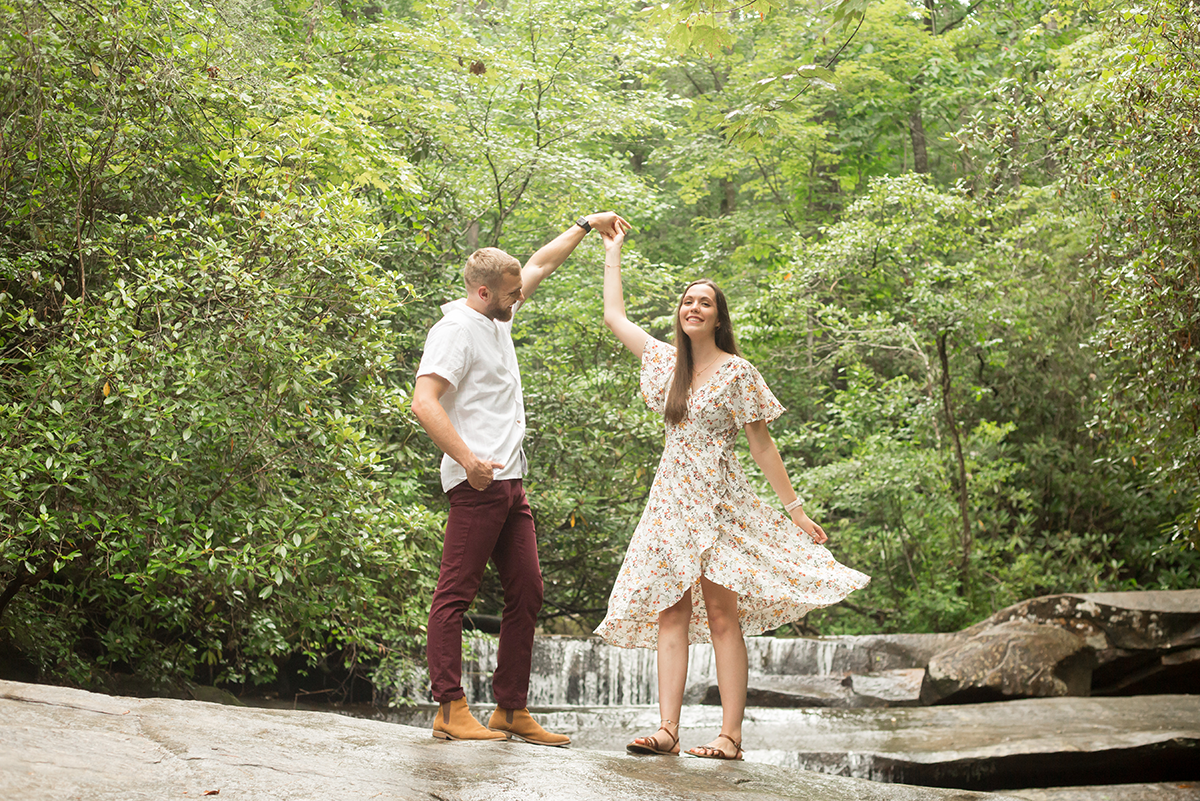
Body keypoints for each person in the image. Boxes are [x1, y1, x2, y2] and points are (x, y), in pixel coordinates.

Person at [593, 227, 869, 760]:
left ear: (719, 317)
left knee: (722, 615)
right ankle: (667, 731)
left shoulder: (738, 371)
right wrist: (612, 253)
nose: (693, 307)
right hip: (671, 503)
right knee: (669, 613)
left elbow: (762, 446)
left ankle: (730, 737)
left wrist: (796, 512)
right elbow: (614, 318)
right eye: (687, 300)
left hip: (719, 502)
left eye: (704, 302)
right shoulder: (664, 362)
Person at [412, 212, 631, 746]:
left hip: (512, 484)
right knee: (454, 596)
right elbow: (424, 403)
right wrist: (467, 460)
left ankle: (509, 710)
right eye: (511, 293)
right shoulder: (454, 331)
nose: (520, 298)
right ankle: (449, 708)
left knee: (527, 592)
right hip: (477, 484)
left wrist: (584, 225)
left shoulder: (497, 314)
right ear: (483, 291)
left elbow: (538, 265)